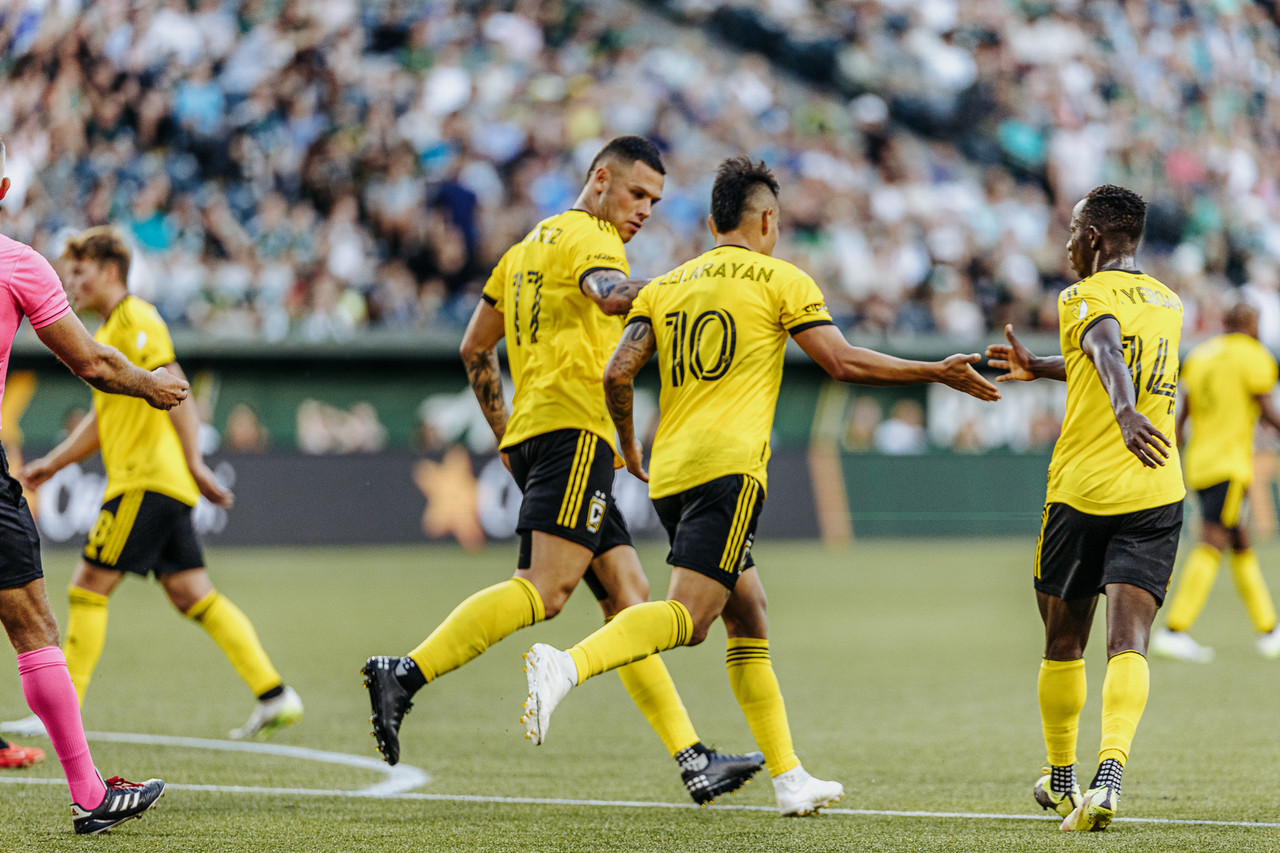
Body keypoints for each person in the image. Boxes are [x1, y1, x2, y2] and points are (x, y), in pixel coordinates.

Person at [521, 156, 1001, 816]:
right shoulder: (781, 278)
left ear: (713, 219)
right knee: (690, 619)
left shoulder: (669, 282)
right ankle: (565, 666)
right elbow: (841, 360)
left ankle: (788, 776)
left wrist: (630, 447)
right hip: (729, 469)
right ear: (767, 219)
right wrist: (934, 371)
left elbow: (616, 372)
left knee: (749, 612)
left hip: (672, 470)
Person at [363, 136, 765, 805]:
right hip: (575, 433)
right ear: (601, 179)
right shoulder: (593, 238)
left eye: (655, 202)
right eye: (637, 194)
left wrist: (506, 434)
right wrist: (683, 292)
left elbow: (475, 346)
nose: (644, 211)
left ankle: (692, 757)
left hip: (537, 434)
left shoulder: (523, 251)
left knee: (627, 598)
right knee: (544, 591)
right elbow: (610, 296)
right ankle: (403, 672)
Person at [17, 226, 303, 741]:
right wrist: (56, 463)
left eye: (80, 272)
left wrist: (195, 462)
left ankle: (62, 714)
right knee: (194, 594)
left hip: (144, 482)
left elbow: (176, 388)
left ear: (109, 271)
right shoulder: (109, 333)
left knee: (85, 588)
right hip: (160, 485)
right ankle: (274, 693)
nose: (71, 282)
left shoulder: (136, 319)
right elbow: (104, 419)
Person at [985, 184, 1184, 831]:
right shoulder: (1169, 302)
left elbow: (1102, 345)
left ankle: (1064, 775)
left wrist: (1123, 408)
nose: (1067, 243)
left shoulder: (1081, 296)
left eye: (1073, 230)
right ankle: (1110, 775)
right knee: (1129, 639)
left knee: (1063, 638)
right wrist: (1042, 364)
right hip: (1157, 489)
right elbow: (1103, 354)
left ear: (1095, 236)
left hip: (1085, 492)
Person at [0, 138, 182, 834]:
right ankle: (89, 793)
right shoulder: (19, 263)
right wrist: (152, 385)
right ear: (6, 185)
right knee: (34, 625)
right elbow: (96, 365)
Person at [1150, 301, 1280, 662]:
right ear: (1253, 324)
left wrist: (1175, 448)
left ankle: (1269, 629)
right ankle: (1175, 628)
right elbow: (1266, 408)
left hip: (1200, 461)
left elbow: (1183, 410)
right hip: (1230, 464)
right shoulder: (1254, 355)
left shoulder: (1202, 354)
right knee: (1212, 540)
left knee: (1239, 541)